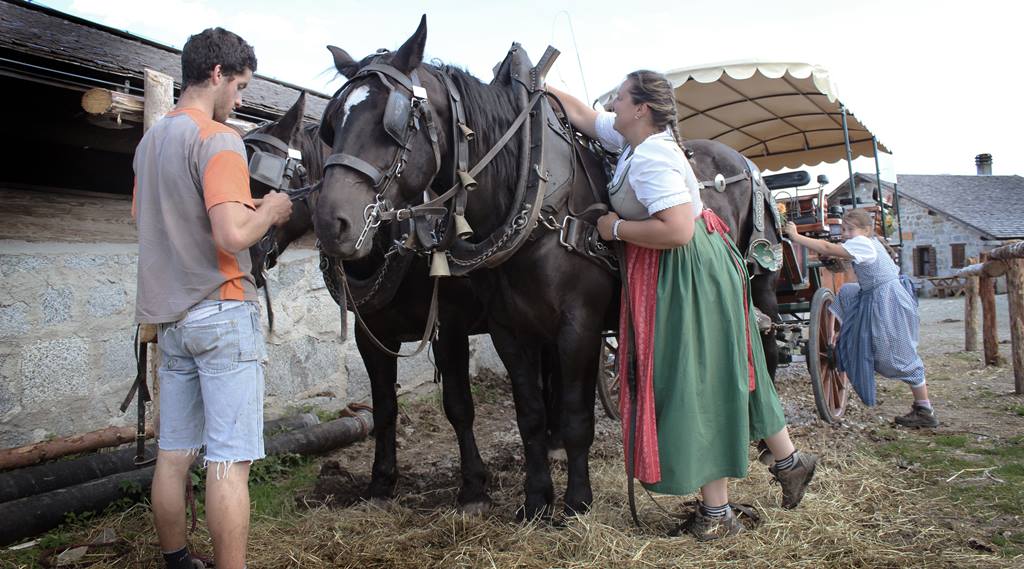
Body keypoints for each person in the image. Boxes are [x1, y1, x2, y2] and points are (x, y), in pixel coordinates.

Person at [547, 73, 817, 541]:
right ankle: (789, 463)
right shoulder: (634, 139)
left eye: (622, 95)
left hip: (684, 270)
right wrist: (540, 84)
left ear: (642, 109)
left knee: (701, 382)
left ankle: (719, 514)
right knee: (721, 372)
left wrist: (614, 230)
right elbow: (586, 116)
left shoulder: (652, 156)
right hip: (688, 268)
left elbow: (677, 231)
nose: (613, 101)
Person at [132, 27, 292, 569]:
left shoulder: (150, 142)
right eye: (241, 86)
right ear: (218, 74)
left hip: (172, 320)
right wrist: (268, 211)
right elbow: (230, 236)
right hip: (222, 311)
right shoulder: (218, 139)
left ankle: (177, 560)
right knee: (229, 461)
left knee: (174, 454)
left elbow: (152, 221)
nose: (241, 100)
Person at [784, 210, 937, 427]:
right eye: (843, 229)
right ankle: (851, 335)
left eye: (850, 229)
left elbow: (827, 247)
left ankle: (924, 408)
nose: (845, 234)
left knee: (895, 353)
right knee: (847, 292)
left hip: (886, 299)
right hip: (875, 294)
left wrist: (796, 236)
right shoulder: (867, 242)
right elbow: (843, 260)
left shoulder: (863, 243)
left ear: (865, 230)